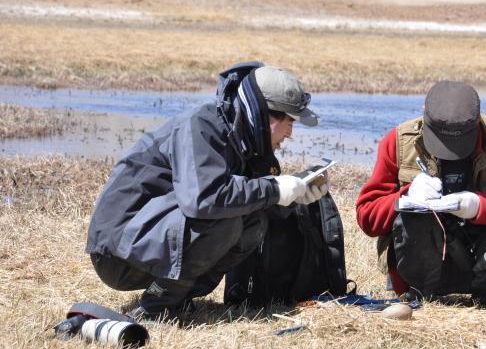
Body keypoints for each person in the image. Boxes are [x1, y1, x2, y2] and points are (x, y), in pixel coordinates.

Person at [85, 62, 327, 318]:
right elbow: (205, 199)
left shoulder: (246, 140)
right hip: (116, 254)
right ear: (265, 115)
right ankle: (157, 305)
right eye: (290, 122)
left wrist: (297, 195)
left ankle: (178, 296)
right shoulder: (200, 126)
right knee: (224, 219)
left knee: (253, 219)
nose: (290, 133)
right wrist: (273, 189)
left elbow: (256, 200)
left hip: (146, 242)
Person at [355, 81, 486, 313]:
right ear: (423, 114)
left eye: (459, 143)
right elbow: (367, 217)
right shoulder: (398, 141)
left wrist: (481, 207)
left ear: (478, 122)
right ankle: (422, 294)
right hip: (424, 263)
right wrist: (405, 195)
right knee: (410, 221)